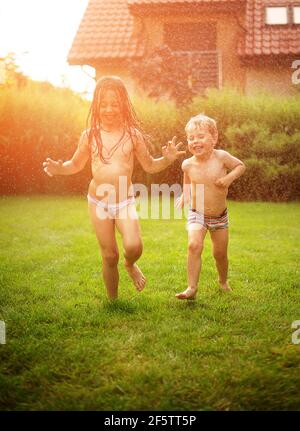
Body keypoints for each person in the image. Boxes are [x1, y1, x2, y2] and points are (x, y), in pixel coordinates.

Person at [43, 76, 185, 300]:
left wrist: (166, 159)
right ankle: (113, 302)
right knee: (109, 256)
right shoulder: (90, 135)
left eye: (114, 104)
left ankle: (130, 264)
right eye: (103, 104)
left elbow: (149, 165)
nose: (109, 109)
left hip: (123, 201)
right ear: (96, 106)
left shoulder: (133, 135)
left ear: (123, 105)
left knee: (134, 245)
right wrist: (59, 169)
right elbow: (76, 164)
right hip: (97, 201)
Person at [175, 114, 246, 300]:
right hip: (197, 214)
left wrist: (228, 179)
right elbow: (187, 180)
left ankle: (223, 282)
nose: (195, 141)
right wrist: (185, 194)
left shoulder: (221, 157)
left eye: (200, 136)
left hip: (219, 216)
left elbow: (240, 166)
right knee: (193, 245)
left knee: (220, 253)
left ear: (213, 138)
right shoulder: (187, 164)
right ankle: (191, 287)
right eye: (191, 138)